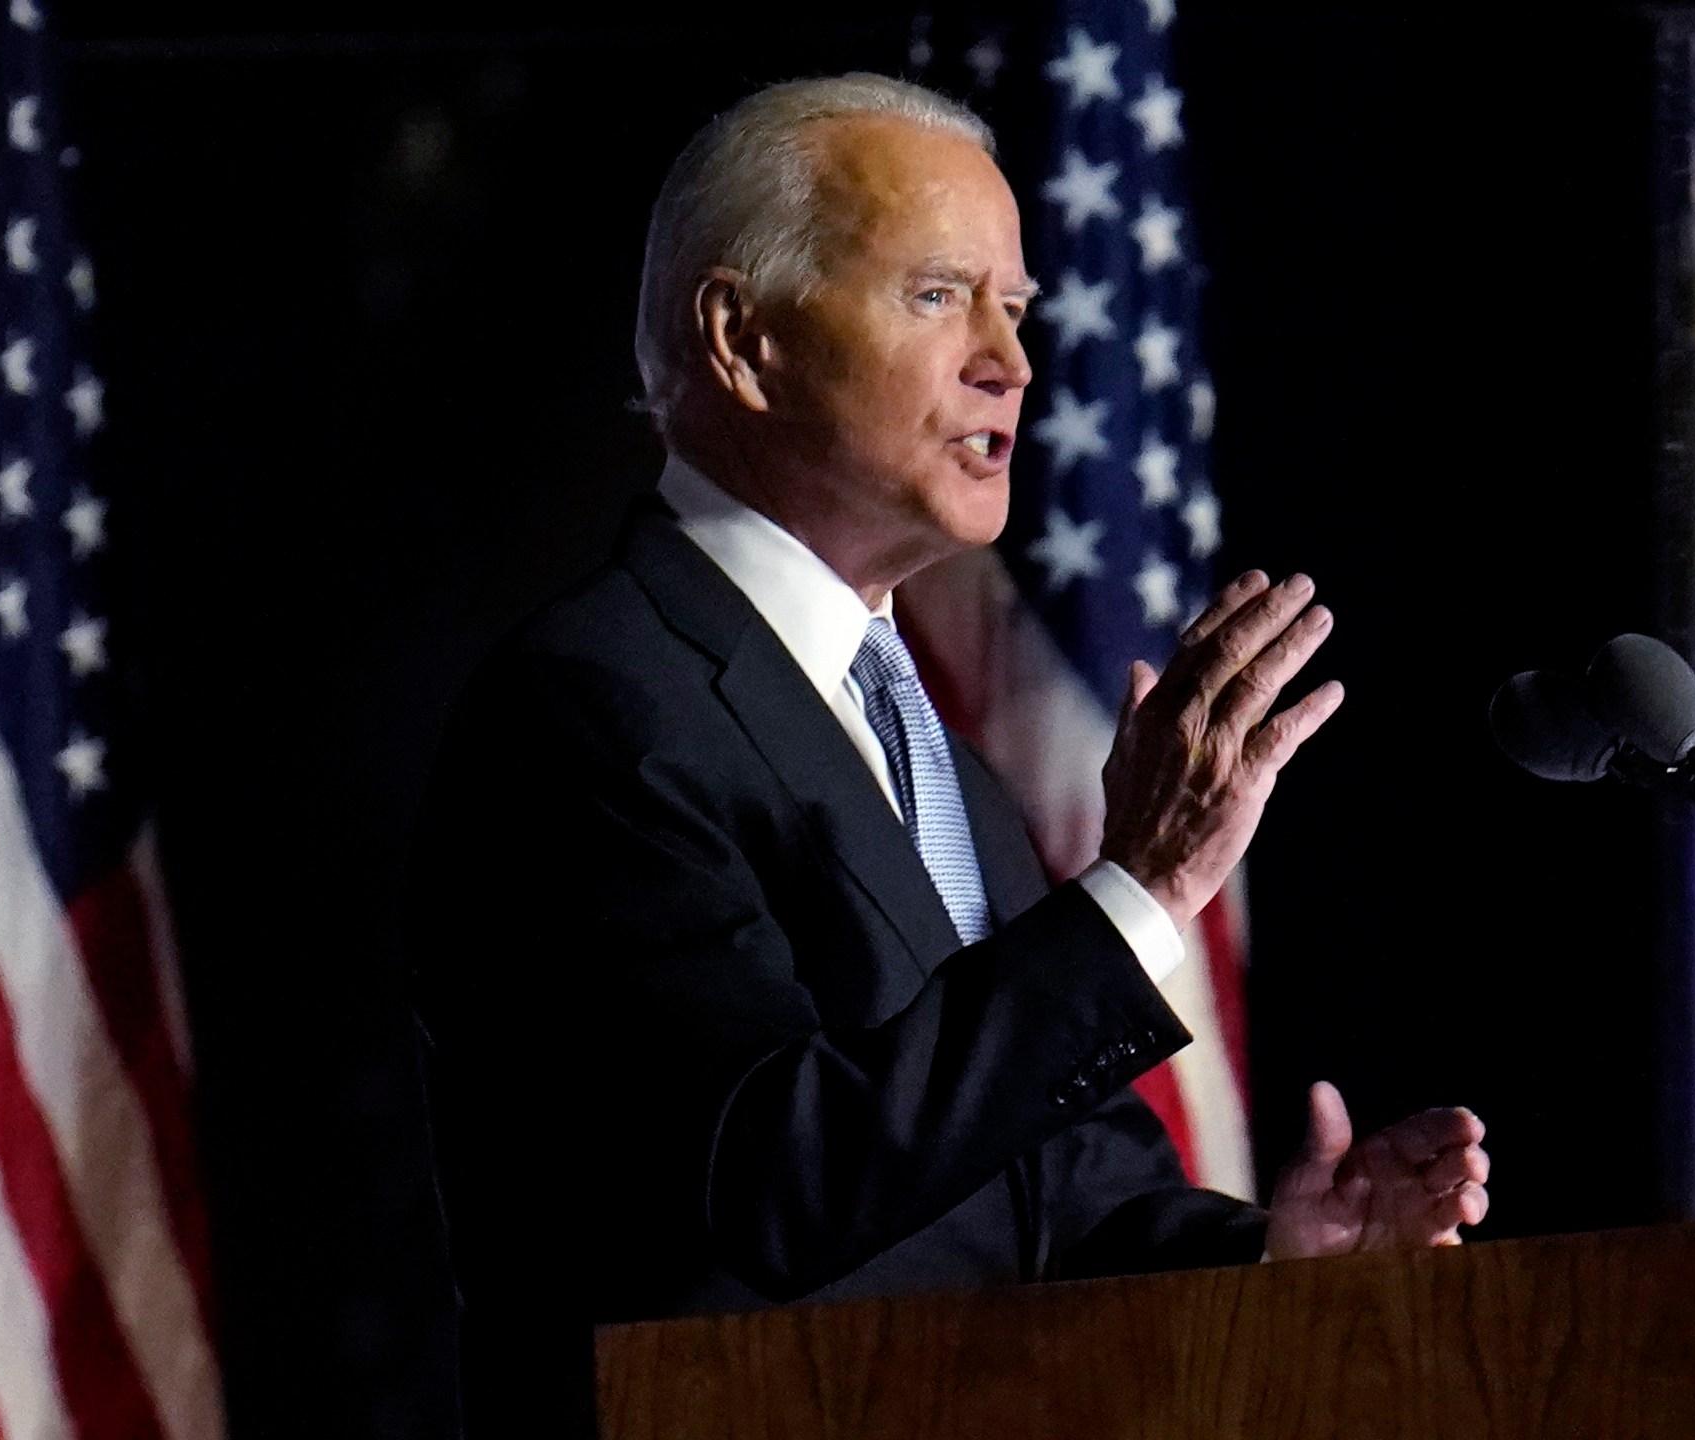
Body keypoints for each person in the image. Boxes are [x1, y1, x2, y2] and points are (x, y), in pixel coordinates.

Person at [412, 73, 1487, 1430]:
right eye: (937, 296)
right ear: (743, 342)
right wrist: (1139, 886)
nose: (1011, 362)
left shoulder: (922, 745)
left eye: (1016, 308)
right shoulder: (593, 708)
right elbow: (774, 1183)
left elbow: (1039, 1190)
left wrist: (1267, 1256)